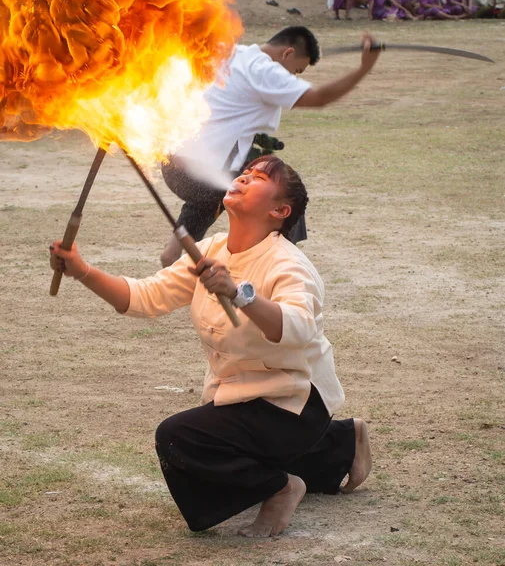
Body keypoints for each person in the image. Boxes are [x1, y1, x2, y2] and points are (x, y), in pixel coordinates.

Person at [49, 156, 373, 536]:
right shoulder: (212, 249)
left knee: (180, 437)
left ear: (279, 211)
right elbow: (144, 297)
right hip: (243, 397)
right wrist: (82, 271)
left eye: (259, 177)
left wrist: (240, 294)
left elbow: (298, 327)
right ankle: (339, 443)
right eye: (246, 171)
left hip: (295, 404)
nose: (245, 176)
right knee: (223, 436)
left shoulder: (290, 264)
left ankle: (281, 487)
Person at [160, 27, 380, 268]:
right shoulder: (263, 69)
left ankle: (173, 253)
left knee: (221, 189)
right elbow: (318, 98)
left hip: (173, 163)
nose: (292, 78)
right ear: (287, 53)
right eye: (296, 71)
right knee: (284, 188)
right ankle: (282, 265)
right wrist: (364, 69)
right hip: (197, 173)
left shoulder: (234, 54)